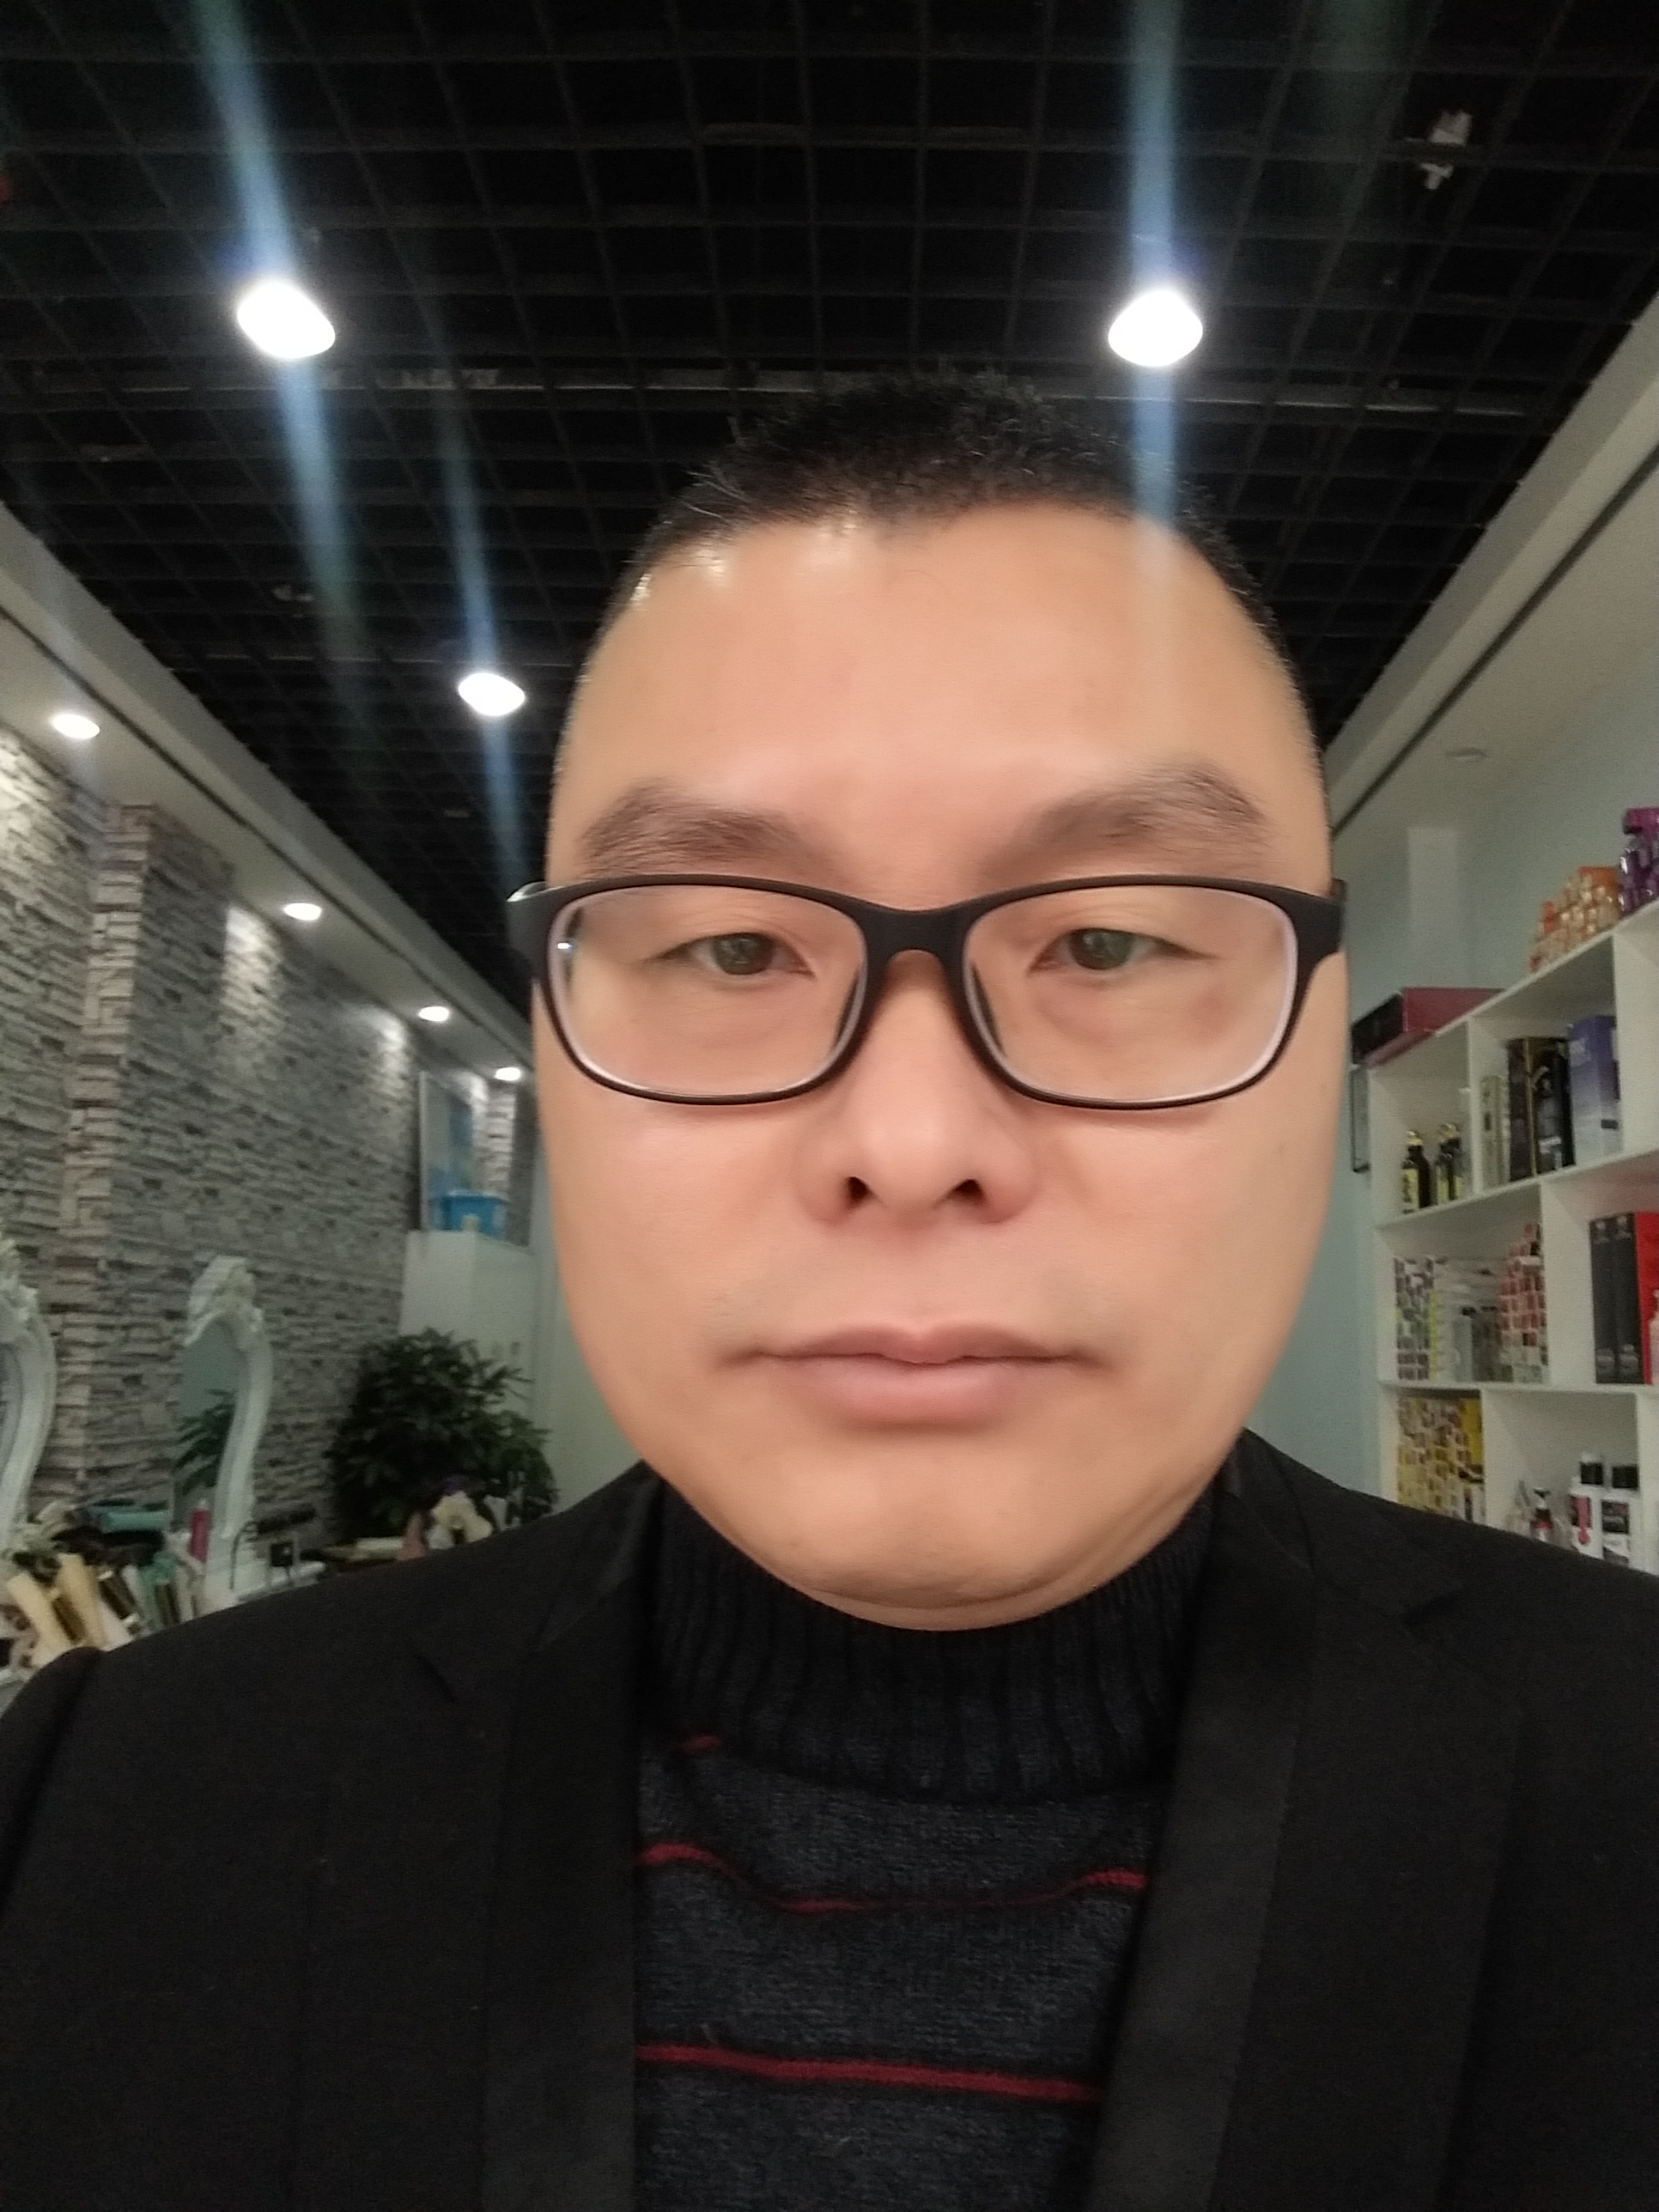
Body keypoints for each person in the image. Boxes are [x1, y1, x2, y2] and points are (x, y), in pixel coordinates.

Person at [2, 374, 1656, 2212]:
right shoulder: (104, 1815)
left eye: (1109, 938)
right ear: (550, 1043)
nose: (913, 1136)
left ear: (1319, 1050)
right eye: (731, 944)